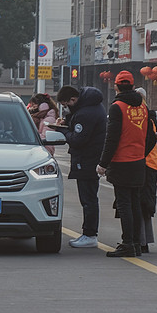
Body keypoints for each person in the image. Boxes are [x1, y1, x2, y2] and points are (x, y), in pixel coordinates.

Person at [97, 71, 149, 258]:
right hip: (138, 161)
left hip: (122, 162)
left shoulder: (117, 107)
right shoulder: (142, 106)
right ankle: (135, 243)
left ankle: (127, 243)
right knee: (134, 203)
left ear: (116, 86)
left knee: (124, 204)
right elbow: (149, 134)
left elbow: (111, 139)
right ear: (133, 86)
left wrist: (103, 163)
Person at [54, 85, 108, 249]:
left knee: (88, 199)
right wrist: (68, 122)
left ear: (73, 99)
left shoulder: (86, 113)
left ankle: (90, 234)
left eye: (66, 104)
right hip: (91, 157)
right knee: (89, 198)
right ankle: (89, 233)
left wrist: (62, 131)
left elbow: (78, 139)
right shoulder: (90, 106)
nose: (66, 107)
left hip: (87, 159)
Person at [135, 89, 157, 253]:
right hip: (149, 164)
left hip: (143, 164)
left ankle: (141, 240)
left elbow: (146, 141)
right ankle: (143, 240)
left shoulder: (142, 117)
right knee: (144, 204)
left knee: (139, 204)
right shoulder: (148, 116)